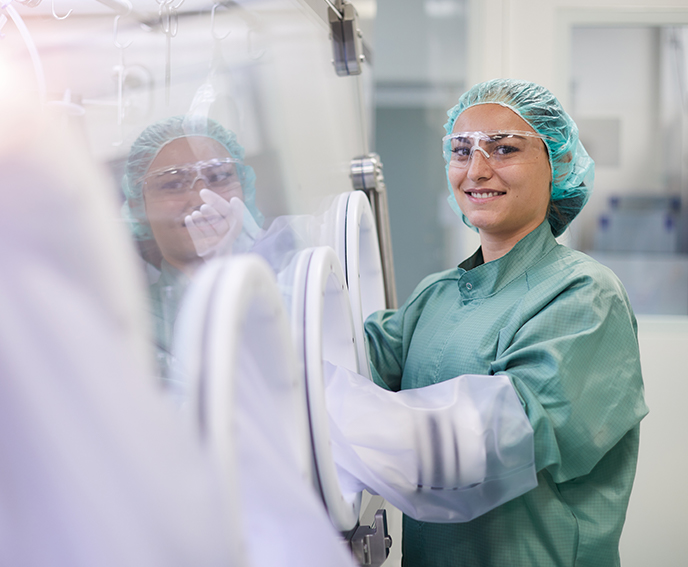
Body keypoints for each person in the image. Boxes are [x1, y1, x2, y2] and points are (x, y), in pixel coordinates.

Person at [326, 78, 649, 566]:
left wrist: (340, 418)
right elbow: (338, 359)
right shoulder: (437, 296)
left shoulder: (584, 295)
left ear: (556, 164)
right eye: (461, 150)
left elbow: (490, 445)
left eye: (503, 149)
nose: (477, 170)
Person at [121, 116, 264, 383]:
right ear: (138, 207)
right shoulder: (135, 322)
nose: (201, 197)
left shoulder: (288, 280)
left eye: (219, 177)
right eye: (172, 184)